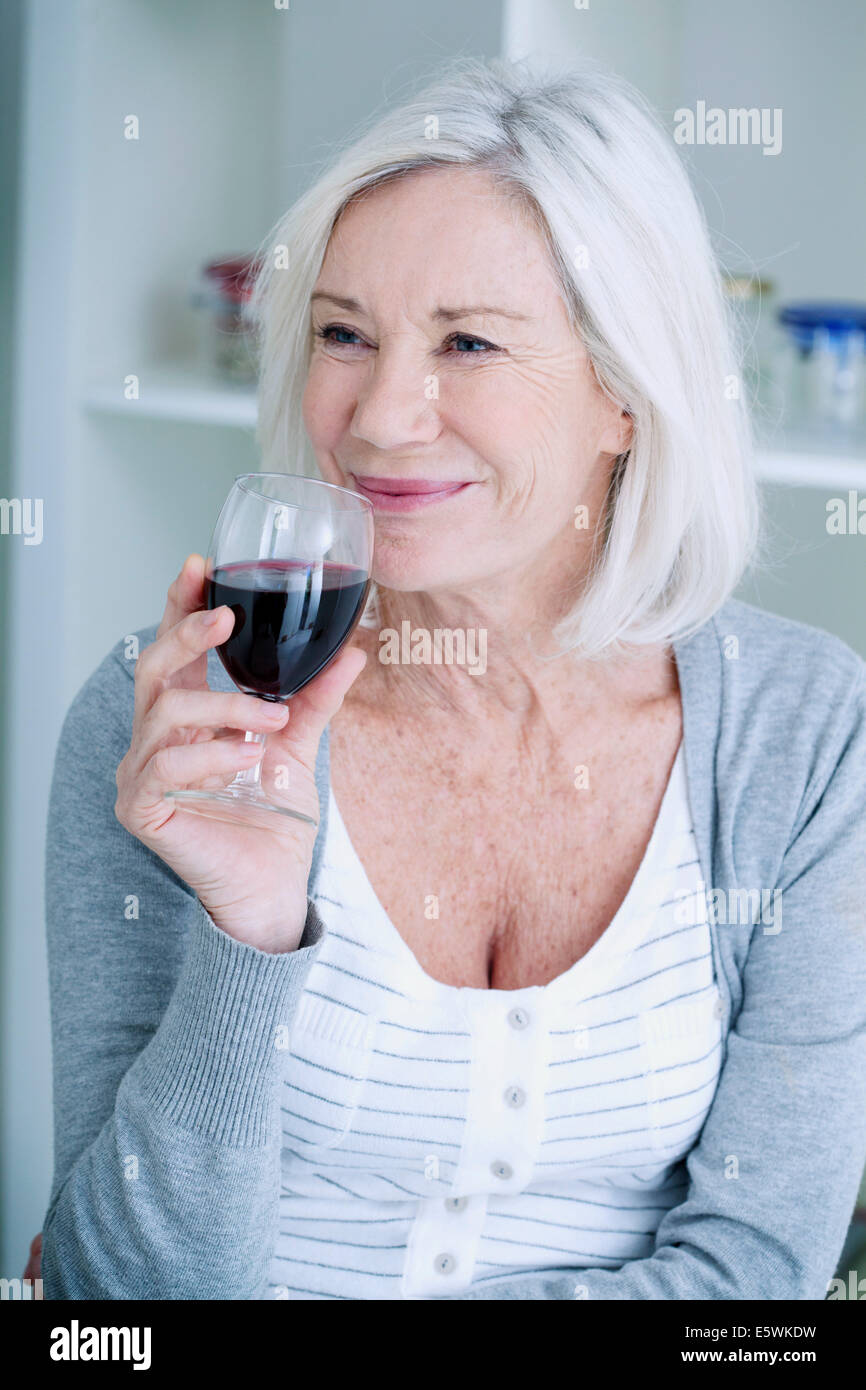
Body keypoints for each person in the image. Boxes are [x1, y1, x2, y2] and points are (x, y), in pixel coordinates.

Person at [39, 55, 866, 1300]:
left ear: (624, 398)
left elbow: (756, 1286)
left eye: (468, 342)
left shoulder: (800, 737)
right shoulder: (176, 717)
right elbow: (117, 1302)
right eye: (342, 334)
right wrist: (246, 935)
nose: (378, 416)